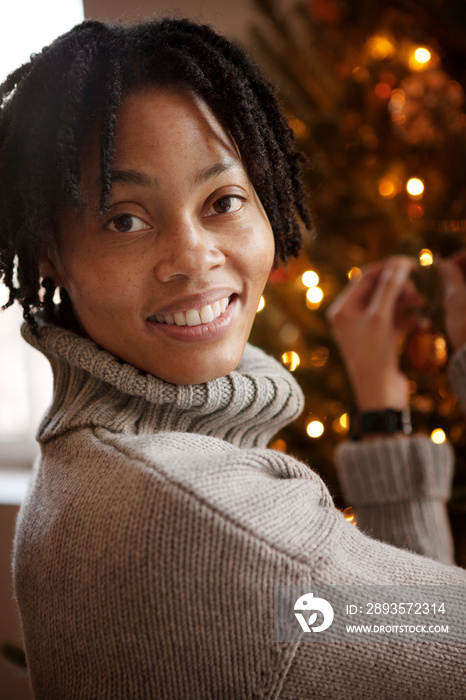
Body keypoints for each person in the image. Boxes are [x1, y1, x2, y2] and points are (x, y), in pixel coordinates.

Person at [0, 17, 465, 700]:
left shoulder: (91, 466)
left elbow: (394, 633)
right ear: (50, 253)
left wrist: (380, 413)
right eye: (124, 218)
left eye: (223, 201)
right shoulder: (208, 525)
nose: (193, 256)